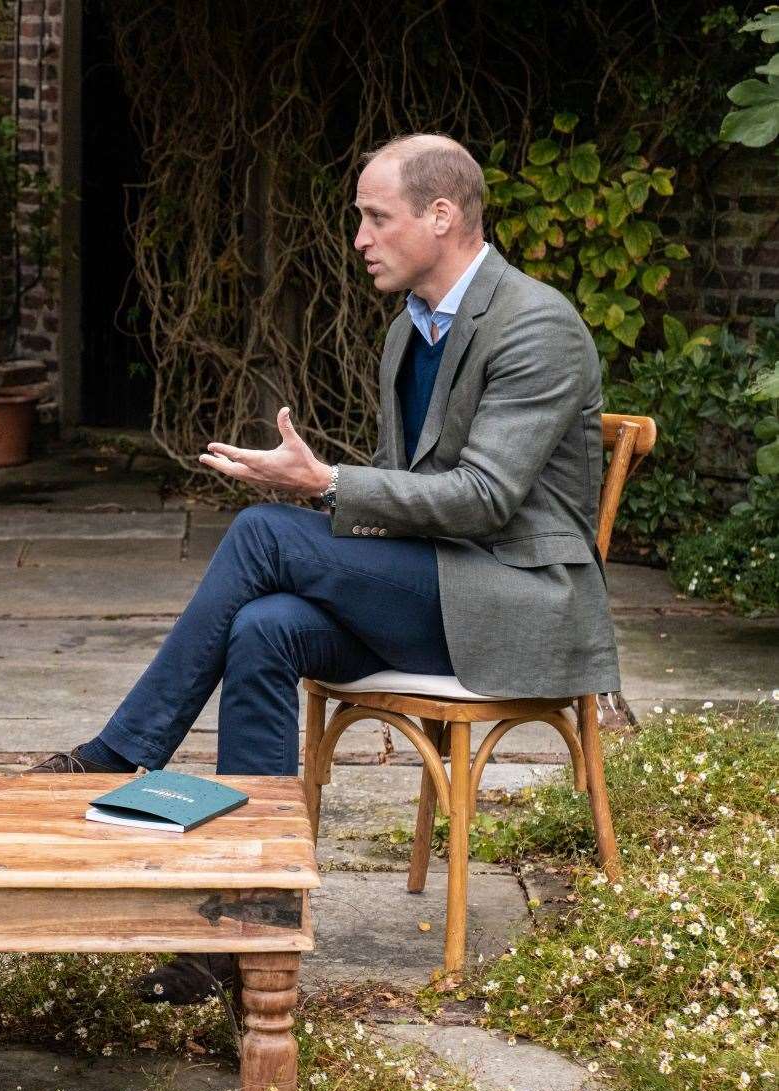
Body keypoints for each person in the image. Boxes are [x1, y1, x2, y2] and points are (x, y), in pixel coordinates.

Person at [34, 134, 618, 1004]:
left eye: (377, 218)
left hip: (512, 601)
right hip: (433, 588)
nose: (360, 238)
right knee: (262, 629)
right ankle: (244, 927)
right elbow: (407, 496)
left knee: (266, 537)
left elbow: (486, 498)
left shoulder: (537, 325)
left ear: (442, 216)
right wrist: (324, 499)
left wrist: (325, 485)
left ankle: (124, 752)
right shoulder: (405, 335)